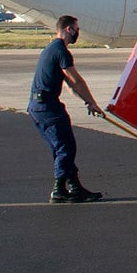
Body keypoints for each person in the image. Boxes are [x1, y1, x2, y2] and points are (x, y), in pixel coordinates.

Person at [29, 15, 106, 204]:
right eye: (76, 29)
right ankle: (59, 190)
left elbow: (71, 86)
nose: (77, 32)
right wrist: (93, 102)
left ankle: (75, 187)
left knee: (61, 148)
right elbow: (77, 80)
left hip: (38, 107)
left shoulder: (51, 49)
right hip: (47, 107)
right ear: (68, 29)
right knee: (66, 148)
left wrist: (87, 103)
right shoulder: (61, 51)